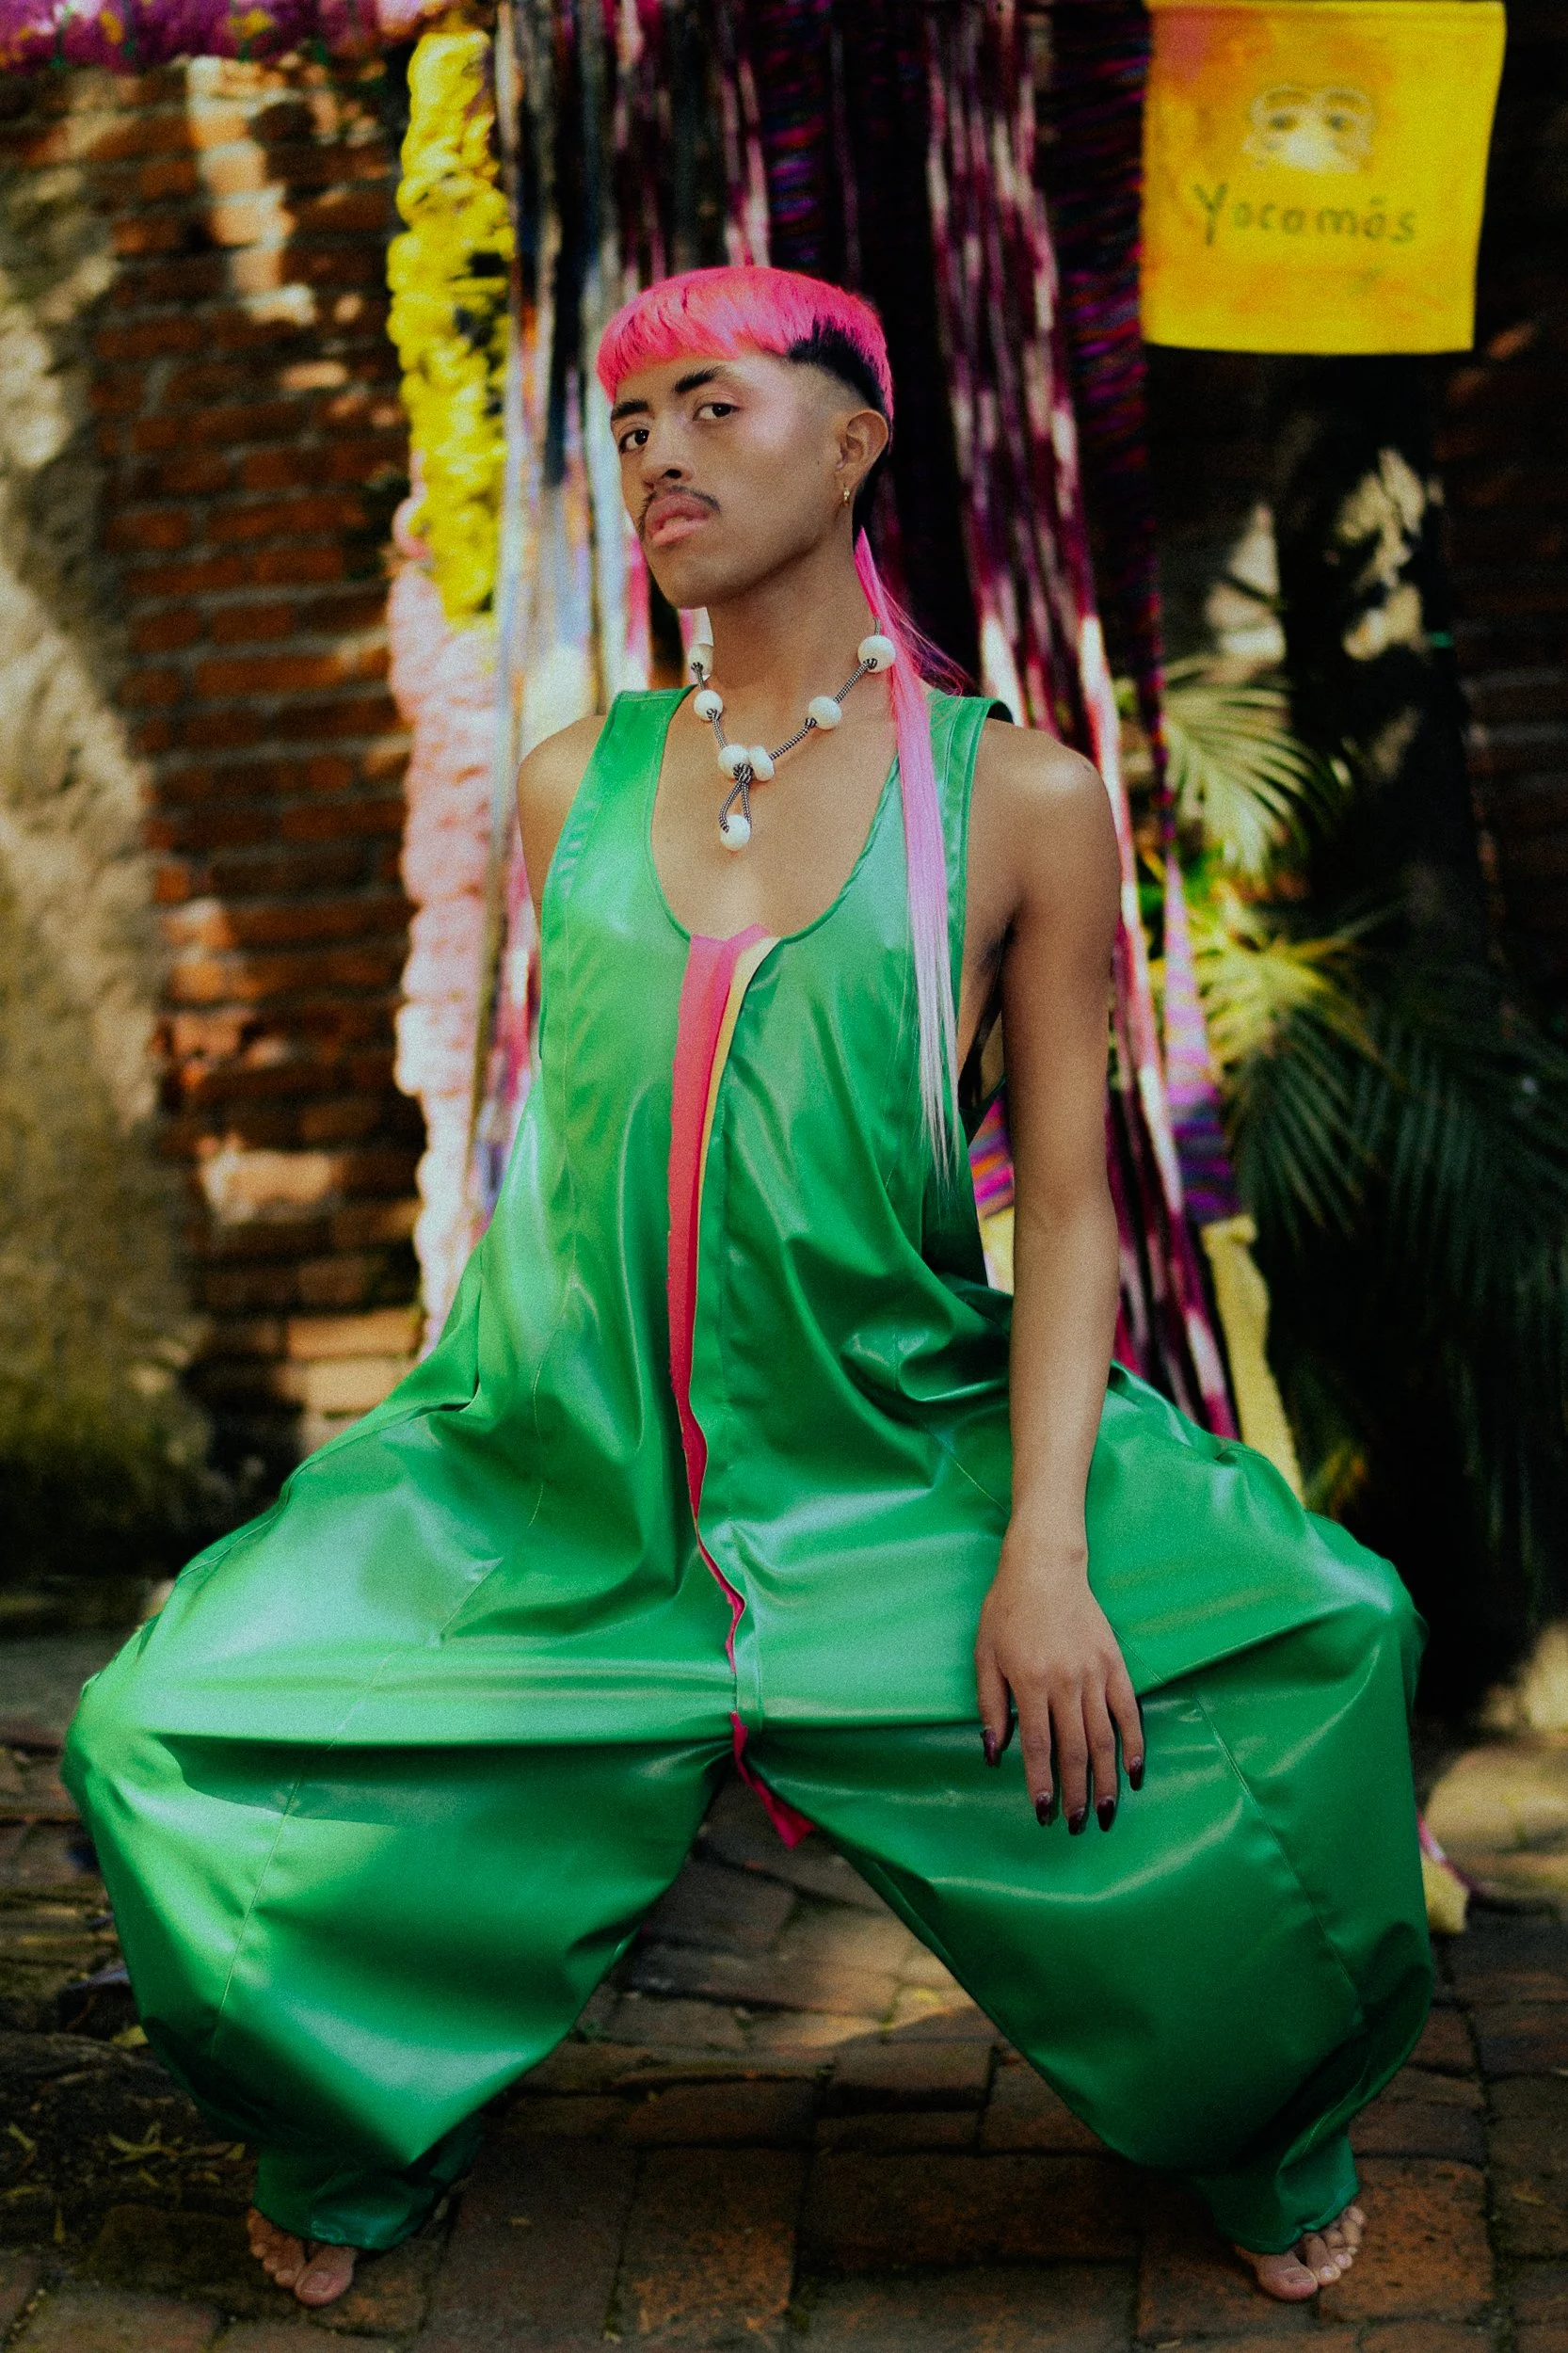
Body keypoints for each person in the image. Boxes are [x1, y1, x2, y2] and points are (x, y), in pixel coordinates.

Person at [63, 264, 1432, 2313]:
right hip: (562, 1477)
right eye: (629, 426)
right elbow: (583, 1159)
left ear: (856, 442)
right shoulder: (571, 781)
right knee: (162, 1719)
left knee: (1322, 1643)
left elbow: (1067, 1210)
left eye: (712, 405)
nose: (657, 457)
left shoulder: (1017, 798)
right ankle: (344, 2128)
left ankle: (1265, 2126)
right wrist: (418, 1472)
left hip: (892, 1462)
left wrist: (1041, 1551)